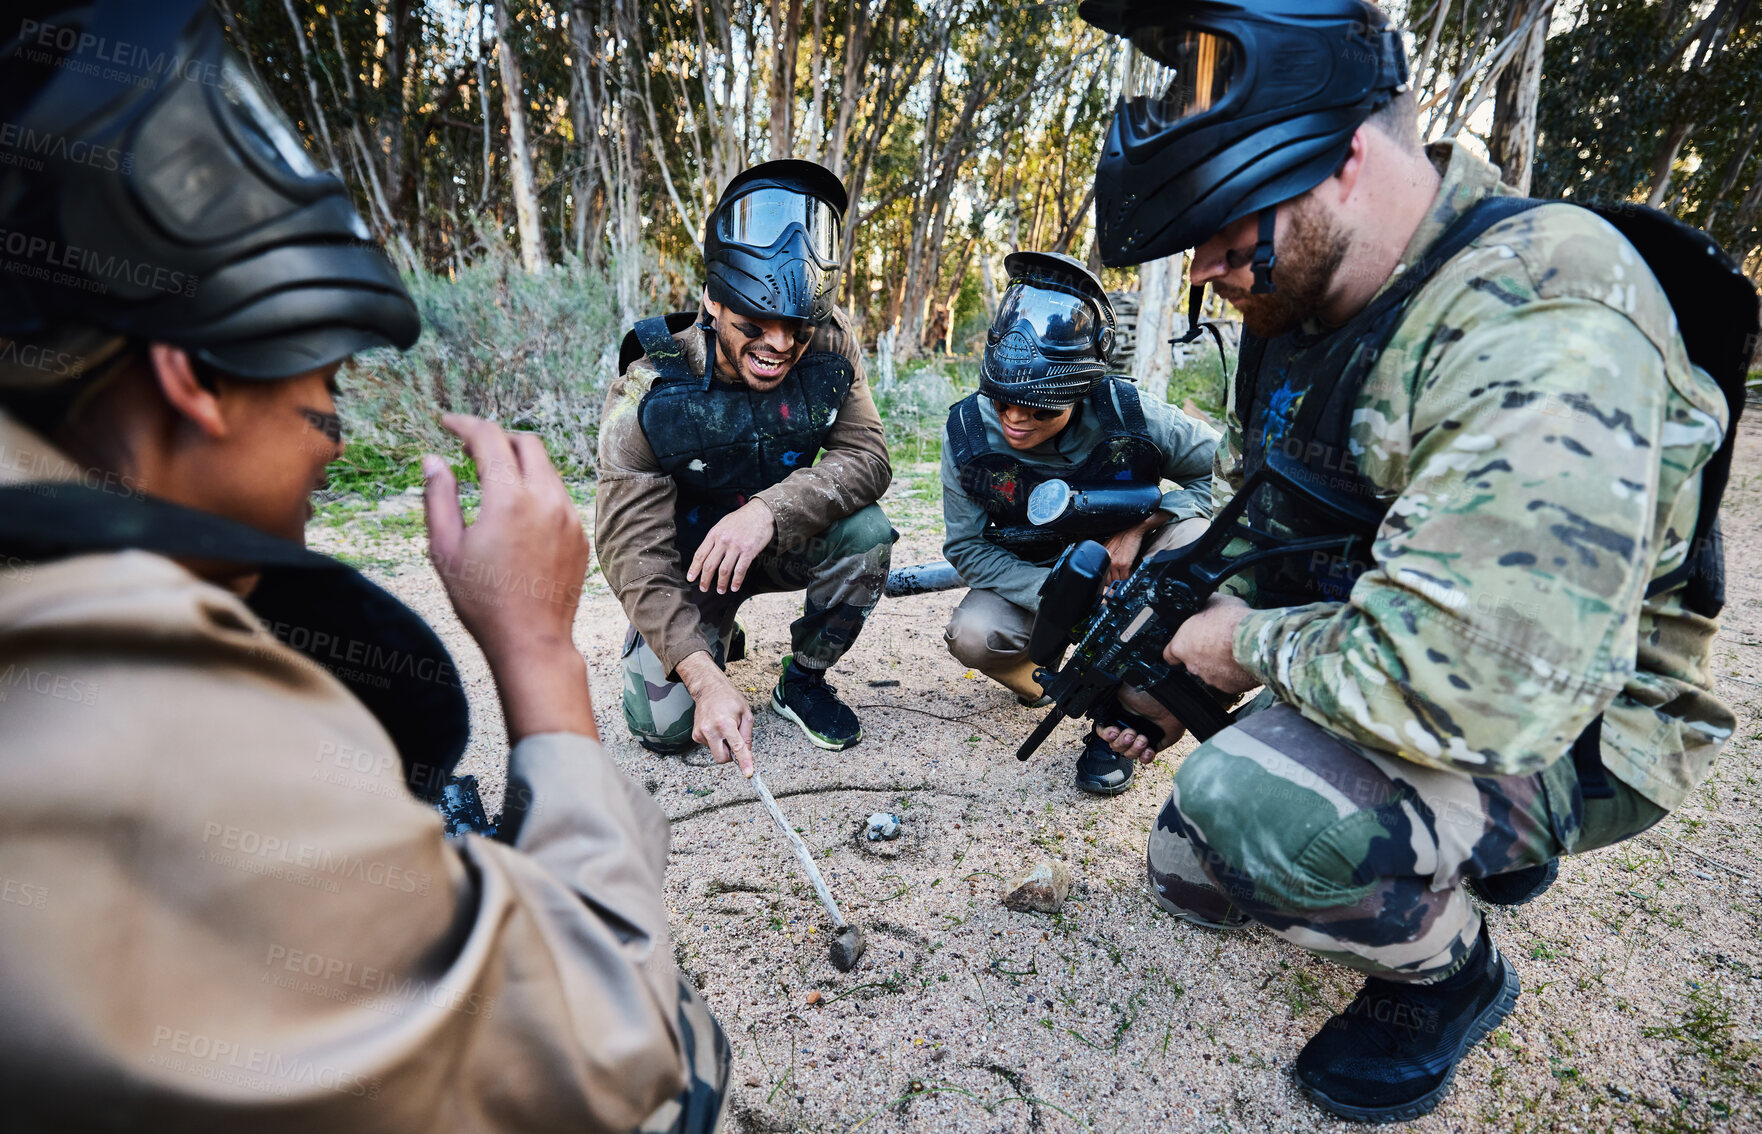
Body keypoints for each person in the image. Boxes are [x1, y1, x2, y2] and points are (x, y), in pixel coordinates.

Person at [0, 2, 725, 1129]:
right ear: (193, 376)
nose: (329, 448)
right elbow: (603, 1039)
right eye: (323, 391)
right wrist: (538, 647)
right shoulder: (155, 717)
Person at [1077, 0, 1752, 1122]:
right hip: (1407, 635)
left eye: (1225, 221)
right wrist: (1172, 658)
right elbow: (1287, 518)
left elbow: (1471, 688)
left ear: (1345, 157)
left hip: (1571, 718)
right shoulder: (1315, 306)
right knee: (1190, 871)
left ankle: (1453, 979)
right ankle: (1464, 845)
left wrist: (1233, 645)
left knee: (1252, 809)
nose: (1202, 267)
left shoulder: (1543, 313)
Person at [598, 160, 894, 767]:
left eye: (797, 328)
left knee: (867, 533)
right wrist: (703, 679)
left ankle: (803, 680)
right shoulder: (649, 389)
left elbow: (867, 455)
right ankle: (713, 634)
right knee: (662, 728)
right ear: (711, 301)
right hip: (691, 566)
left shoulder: (833, 344)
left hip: (780, 542)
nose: (780, 345)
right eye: (754, 326)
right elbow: (631, 551)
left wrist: (768, 511)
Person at [940, 251, 1217, 795]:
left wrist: (1142, 530)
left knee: (1199, 542)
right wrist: (1064, 595)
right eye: (1003, 402)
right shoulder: (968, 434)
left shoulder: (1132, 413)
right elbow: (968, 549)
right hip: (1037, 576)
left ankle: (1124, 721)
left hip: (1135, 570)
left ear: (1079, 393)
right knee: (974, 634)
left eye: (1040, 410)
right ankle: (1051, 684)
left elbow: (1224, 476)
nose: (1016, 421)